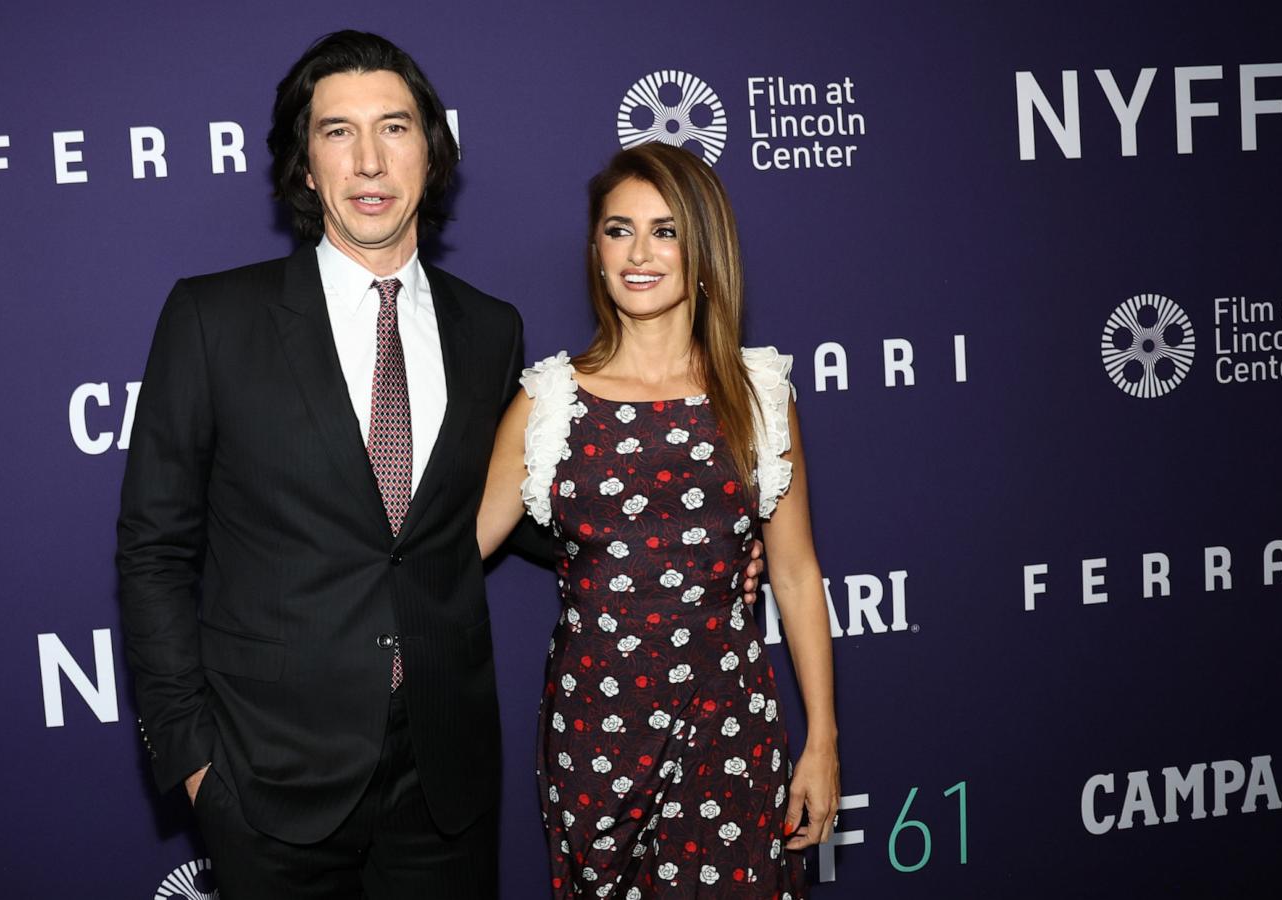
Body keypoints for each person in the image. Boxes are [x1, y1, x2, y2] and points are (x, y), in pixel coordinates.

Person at [115, 31, 525, 898]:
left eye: (395, 128)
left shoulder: (491, 330)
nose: (370, 160)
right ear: (305, 165)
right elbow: (154, 547)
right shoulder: (212, 319)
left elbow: (491, 507)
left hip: (444, 782)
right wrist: (193, 758)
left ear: (432, 153)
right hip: (268, 779)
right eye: (338, 132)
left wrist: (679, 537)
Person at [478, 143, 840, 898]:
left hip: (729, 727)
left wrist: (823, 742)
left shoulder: (758, 393)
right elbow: (446, 555)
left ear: (703, 249)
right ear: (595, 251)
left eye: (665, 231)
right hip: (596, 733)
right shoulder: (549, 402)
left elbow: (798, 575)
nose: (639, 253)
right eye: (619, 230)